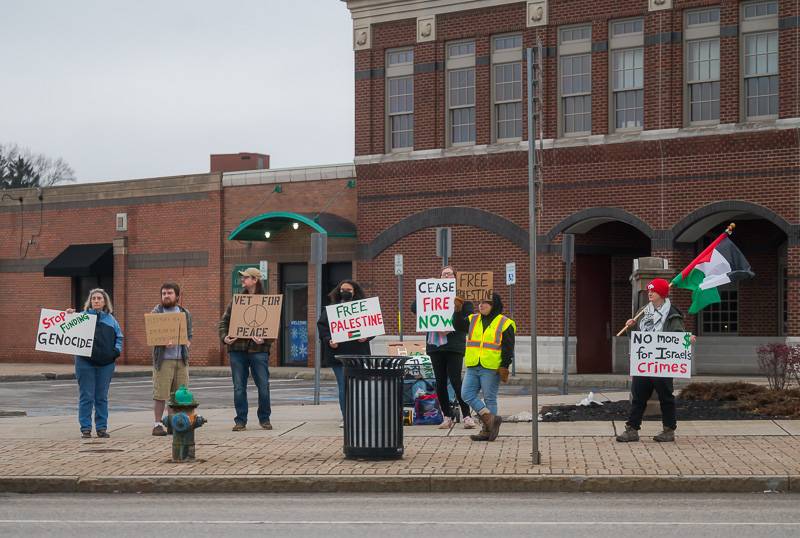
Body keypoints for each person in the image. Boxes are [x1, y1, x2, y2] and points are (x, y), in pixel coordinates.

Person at [616, 278, 696, 443]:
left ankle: (668, 430)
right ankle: (632, 429)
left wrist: (687, 340)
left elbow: (678, 336)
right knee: (638, 396)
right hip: (644, 363)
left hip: (662, 364)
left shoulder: (673, 314)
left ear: (662, 293)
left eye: (653, 291)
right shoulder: (643, 311)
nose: (650, 293)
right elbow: (636, 338)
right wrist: (630, 327)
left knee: (666, 397)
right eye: (649, 290)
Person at [410, 266, 476, 429]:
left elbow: (467, 318)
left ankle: (467, 415)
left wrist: (451, 323)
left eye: (449, 274)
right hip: (435, 346)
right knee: (440, 382)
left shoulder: (462, 298)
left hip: (454, 345)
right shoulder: (430, 295)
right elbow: (414, 308)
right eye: (443, 274)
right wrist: (425, 291)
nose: (446, 276)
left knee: (455, 381)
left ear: (455, 278)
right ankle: (446, 416)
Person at [454, 292, 515, 442]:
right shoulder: (473, 319)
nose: (481, 305)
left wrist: (504, 366)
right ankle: (491, 420)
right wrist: (457, 310)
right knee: (466, 394)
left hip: (491, 367)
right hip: (473, 364)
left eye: (486, 302)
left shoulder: (505, 322)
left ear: (494, 305)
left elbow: (508, 347)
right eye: (480, 302)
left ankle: (487, 431)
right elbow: (457, 326)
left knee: (489, 398)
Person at [219, 267, 273, 431]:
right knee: (239, 386)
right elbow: (224, 323)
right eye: (242, 278)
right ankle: (240, 420)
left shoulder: (268, 301)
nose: (242, 280)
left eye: (246, 277)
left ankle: (264, 419)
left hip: (259, 350)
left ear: (255, 280)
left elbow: (273, 327)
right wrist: (225, 337)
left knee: (263, 386)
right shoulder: (236, 301)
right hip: (237, 349)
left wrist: (265, 339)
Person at [67, 289, 123, 439]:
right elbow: (68, 329)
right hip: (84, 362)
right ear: (90, 302)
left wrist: (115, 352)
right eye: (94, 298)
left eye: (99, 298)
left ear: (105, 302)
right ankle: (85, 428)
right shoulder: (82, 318)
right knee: (86, 396)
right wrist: (68, 316)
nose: (96, 301)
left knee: (101, 397)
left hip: (106, 364)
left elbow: (119, 338)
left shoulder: (112, 320)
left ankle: (101, 428)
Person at [317, 279, 373, 427]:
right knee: (344, 386)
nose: (345, 292)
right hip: (339, 354)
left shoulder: (363, 308)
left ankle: (360, 415)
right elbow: (322, 328)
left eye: (348, 290)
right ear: (338, 291)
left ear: (355, 292)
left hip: (358, 353)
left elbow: (373, 326)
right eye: (342, 290)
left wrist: (367, 336)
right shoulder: (331, 309)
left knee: (359, 386)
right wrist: (329, 340)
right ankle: (347, 416)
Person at [150, 283, 192, 436]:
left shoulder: (184, 313)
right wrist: (161, 342)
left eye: (169, 293)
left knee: (179, 394)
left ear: (177, 296)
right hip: (163, 360)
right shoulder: (156, 312)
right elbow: (152, 335)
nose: (166, 296)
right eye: (164, 293)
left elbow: (190, 334)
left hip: (181, 359)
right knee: (161, 394)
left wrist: (187, 342)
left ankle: (174, 423)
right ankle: (157, 424)